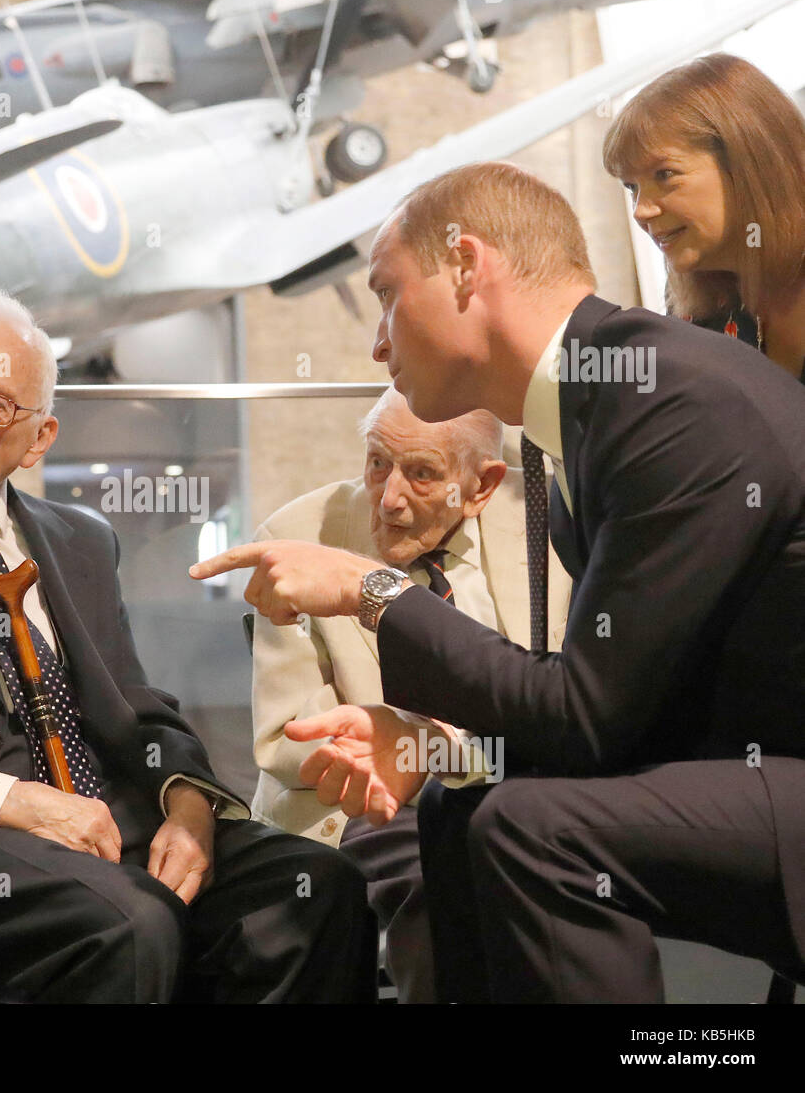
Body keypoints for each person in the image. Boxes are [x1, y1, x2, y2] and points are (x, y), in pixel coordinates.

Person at [192, 161, 805, 1002]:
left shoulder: (662, 397)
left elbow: (586, 716)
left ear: (466, 268)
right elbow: (617, 713)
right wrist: (434, 746)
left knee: (528, 827)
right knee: (460, 809)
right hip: (749, 769)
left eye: (386, 294)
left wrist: (371, 591)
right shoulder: (602, 412)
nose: (377, 341)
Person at [0, 291, 368, 1003]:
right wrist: (17, 801)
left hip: (119, 816)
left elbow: (137, 703)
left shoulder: (79, 538)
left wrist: (188, 803)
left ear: (40, 436)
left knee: (318, 888)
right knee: (131, 924)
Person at [251, 389, 570, 1001]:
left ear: (481, 486)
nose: (389, 496)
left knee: (547, 879)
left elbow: (563, 693)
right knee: (442, 884)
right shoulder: (298, 535)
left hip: (520, 784)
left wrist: (443, 746)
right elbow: (285, 734)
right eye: (377, 464)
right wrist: (379, 750)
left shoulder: (544, 527)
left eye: (421, 473)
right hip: (366, 812)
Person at [603, 52, 805, 383]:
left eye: (665, 174)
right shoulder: (692, 304)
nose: (641, 210)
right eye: (631, 187)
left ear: (748, 163)